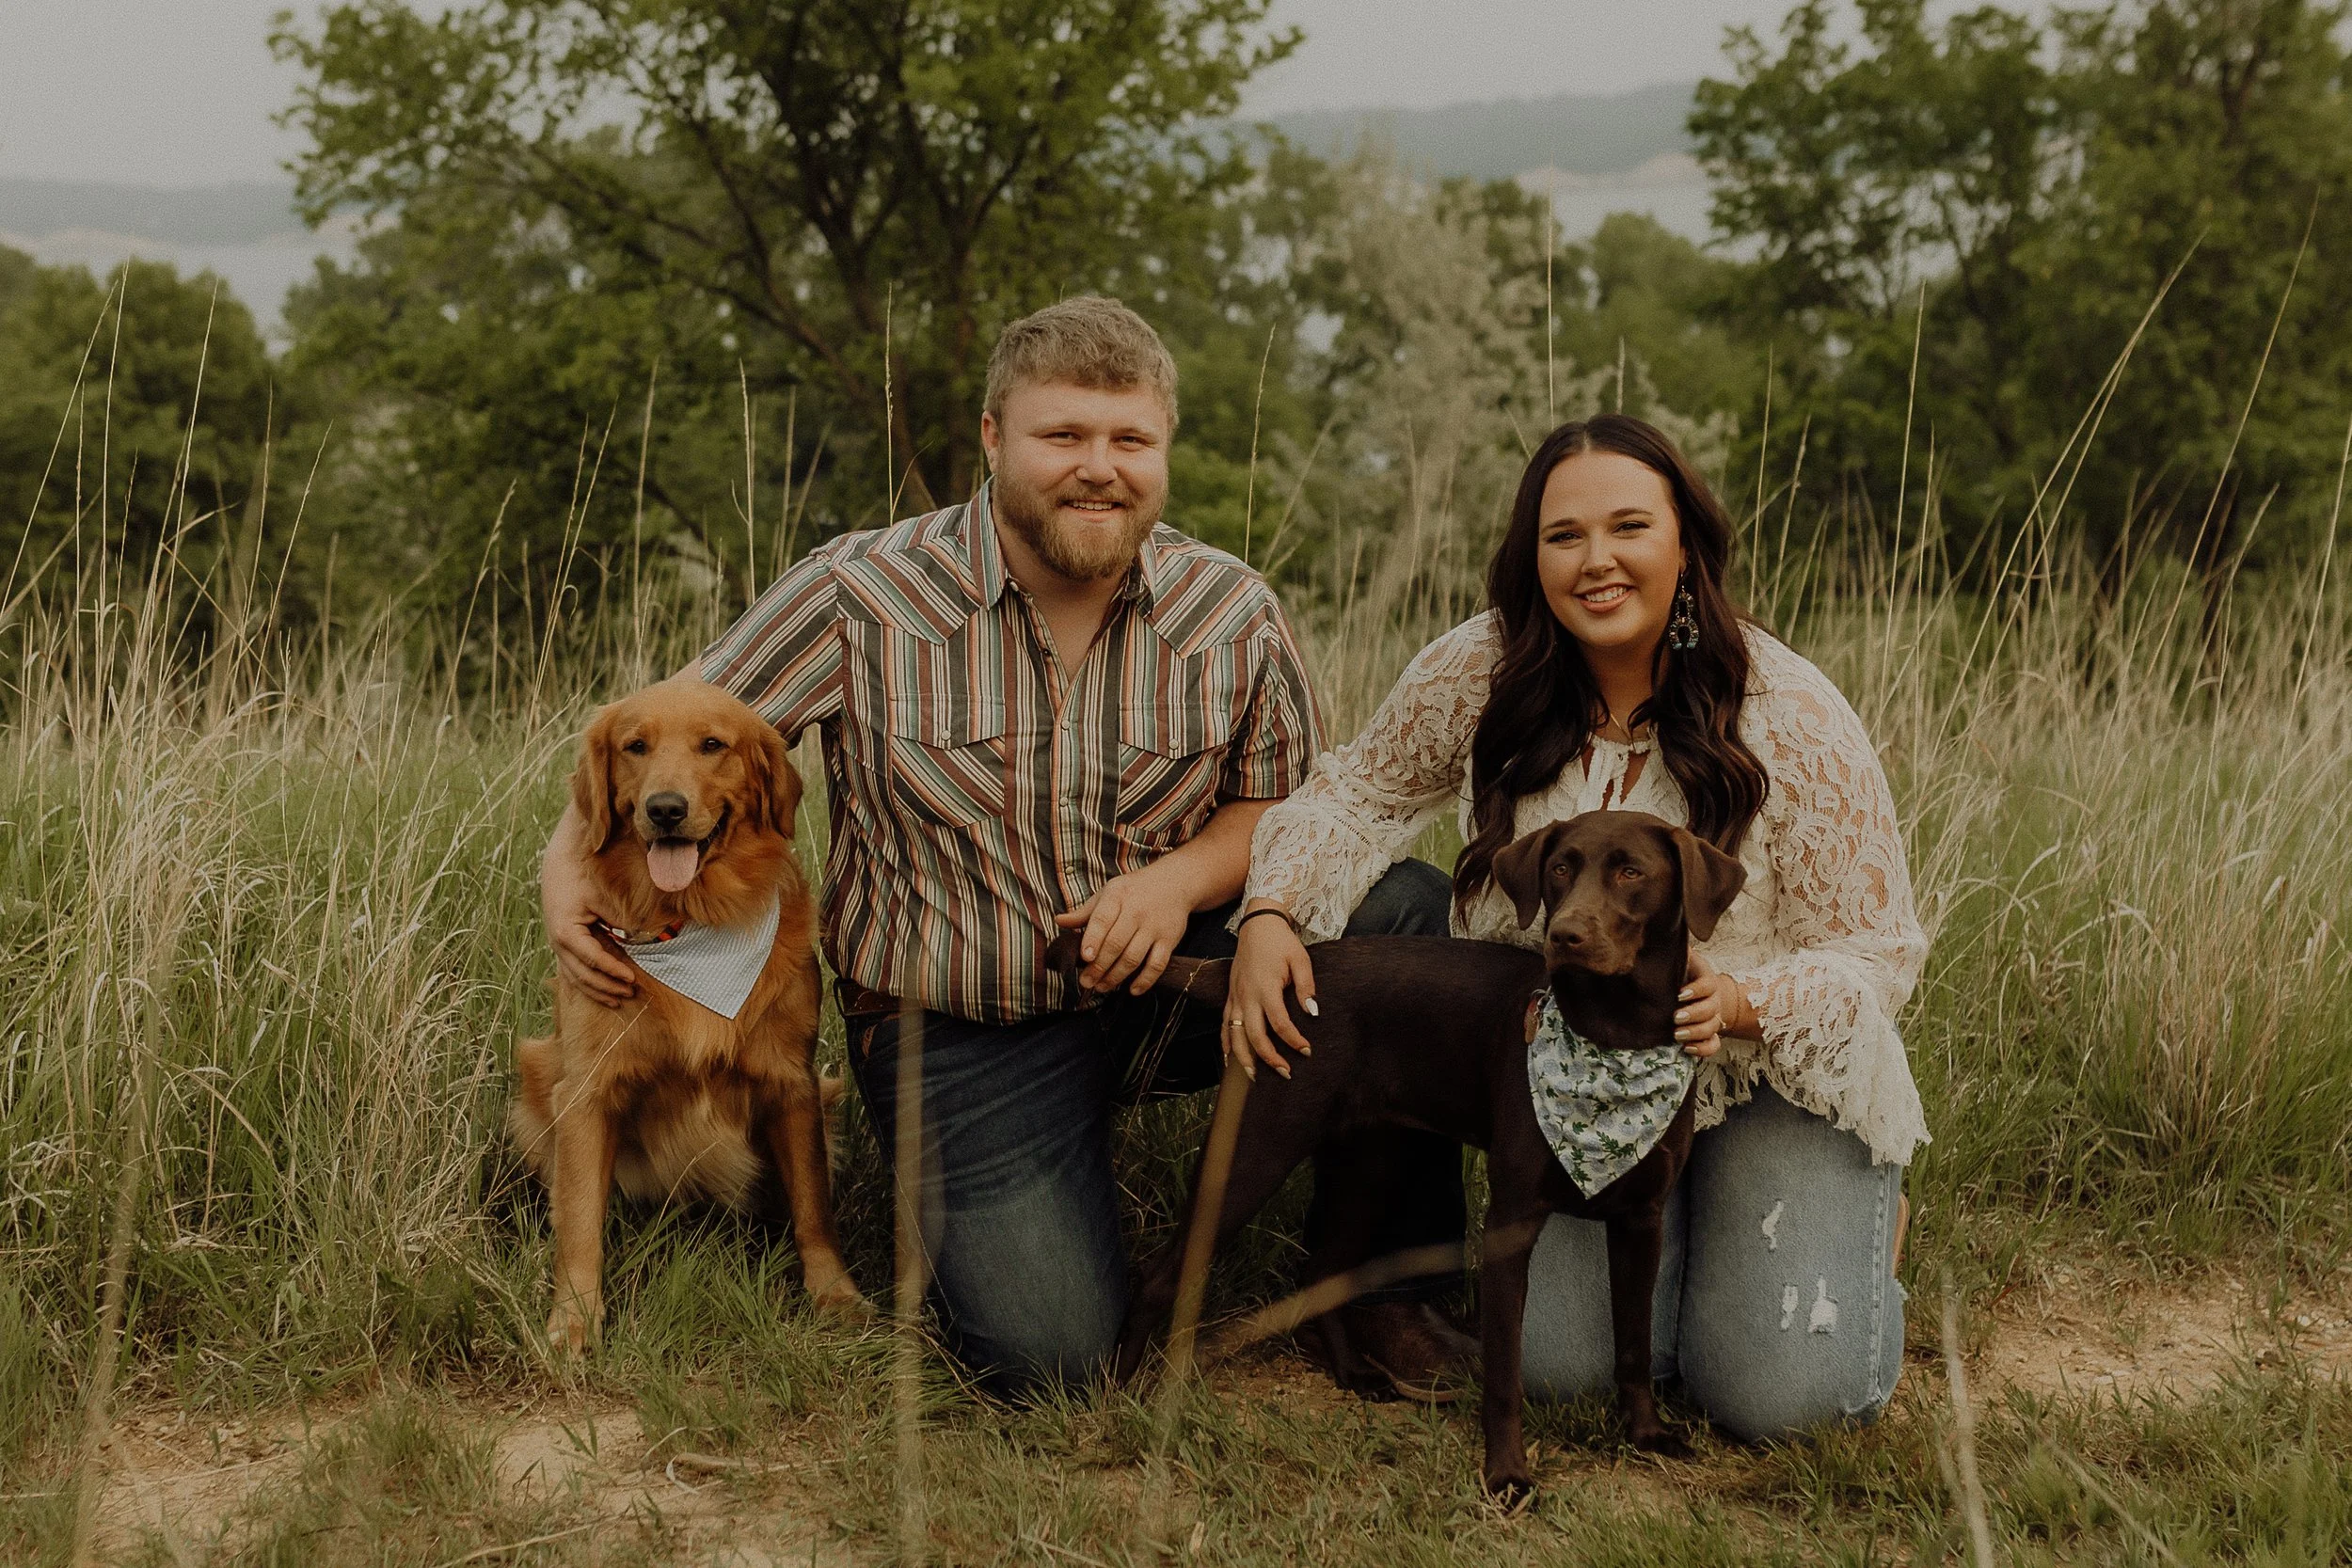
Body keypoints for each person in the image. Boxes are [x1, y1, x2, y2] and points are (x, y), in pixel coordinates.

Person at [538, 295, 1470, 1395]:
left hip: (1170, 982)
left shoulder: (1231, 610)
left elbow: (1285, 809)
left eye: (1129, 439)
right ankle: (1026, 1211)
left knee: (1400, 910)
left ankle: (1381, 1285)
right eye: (1062, 434)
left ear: (1164, 446)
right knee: (1051, 1360)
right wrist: (562, 874)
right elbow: (670, 732)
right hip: (960, 1028)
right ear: (992, 437)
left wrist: (1174, 884)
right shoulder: (858, 592)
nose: (1099, 467)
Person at [1227, 413, 1929, 1441]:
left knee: (1783, 1399)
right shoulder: (1486, 668)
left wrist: (1743, 1000)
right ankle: (1695, 1255)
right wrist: (1270, 909)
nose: (1596, 560)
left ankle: (1846, 1231)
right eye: (1564, 535)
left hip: (1762, 1069)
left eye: (1628, 527)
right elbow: (1356, 796)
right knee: (1560, 1370)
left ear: (1684, 545)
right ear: (1532, 555)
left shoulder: (1786, 710)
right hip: (1582, 1067)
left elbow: (1877, 951)